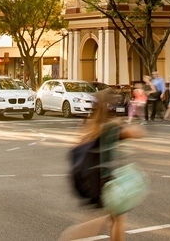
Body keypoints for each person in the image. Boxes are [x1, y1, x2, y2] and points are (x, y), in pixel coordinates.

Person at [59, 89, 146, 241]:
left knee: (117, 217)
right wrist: (132, 120)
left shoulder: (91, 125)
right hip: (104, 183)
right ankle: (69, 236)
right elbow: (137, 133)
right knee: (103, 219)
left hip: (93, 181)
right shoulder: (110, 127)